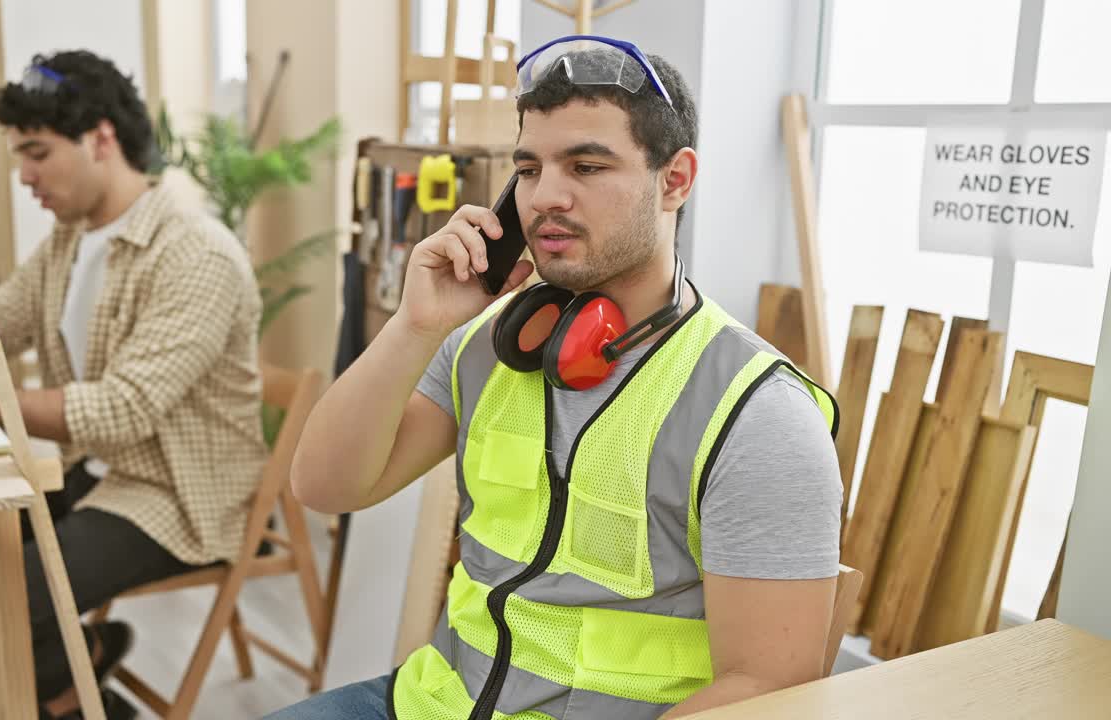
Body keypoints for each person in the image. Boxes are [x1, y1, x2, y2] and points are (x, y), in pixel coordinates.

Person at [281, 36, 842, 720]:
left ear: (675, 180)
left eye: (585, 165)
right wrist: (415, 326)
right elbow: (325, 486)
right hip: (426, 701)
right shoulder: (491, 344)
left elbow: (764, 691)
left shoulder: (758, 415)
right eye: (528, 167)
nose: (543, 196)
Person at [0, 50, 264, 719]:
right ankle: (72, 683)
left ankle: (70, 695)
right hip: (87, 470)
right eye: (19, 157)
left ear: (101, 138)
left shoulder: (195, 253)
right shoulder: (69, 241)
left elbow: (124, 410)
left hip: (173, 494)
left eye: (37, 152)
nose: (25, 176)